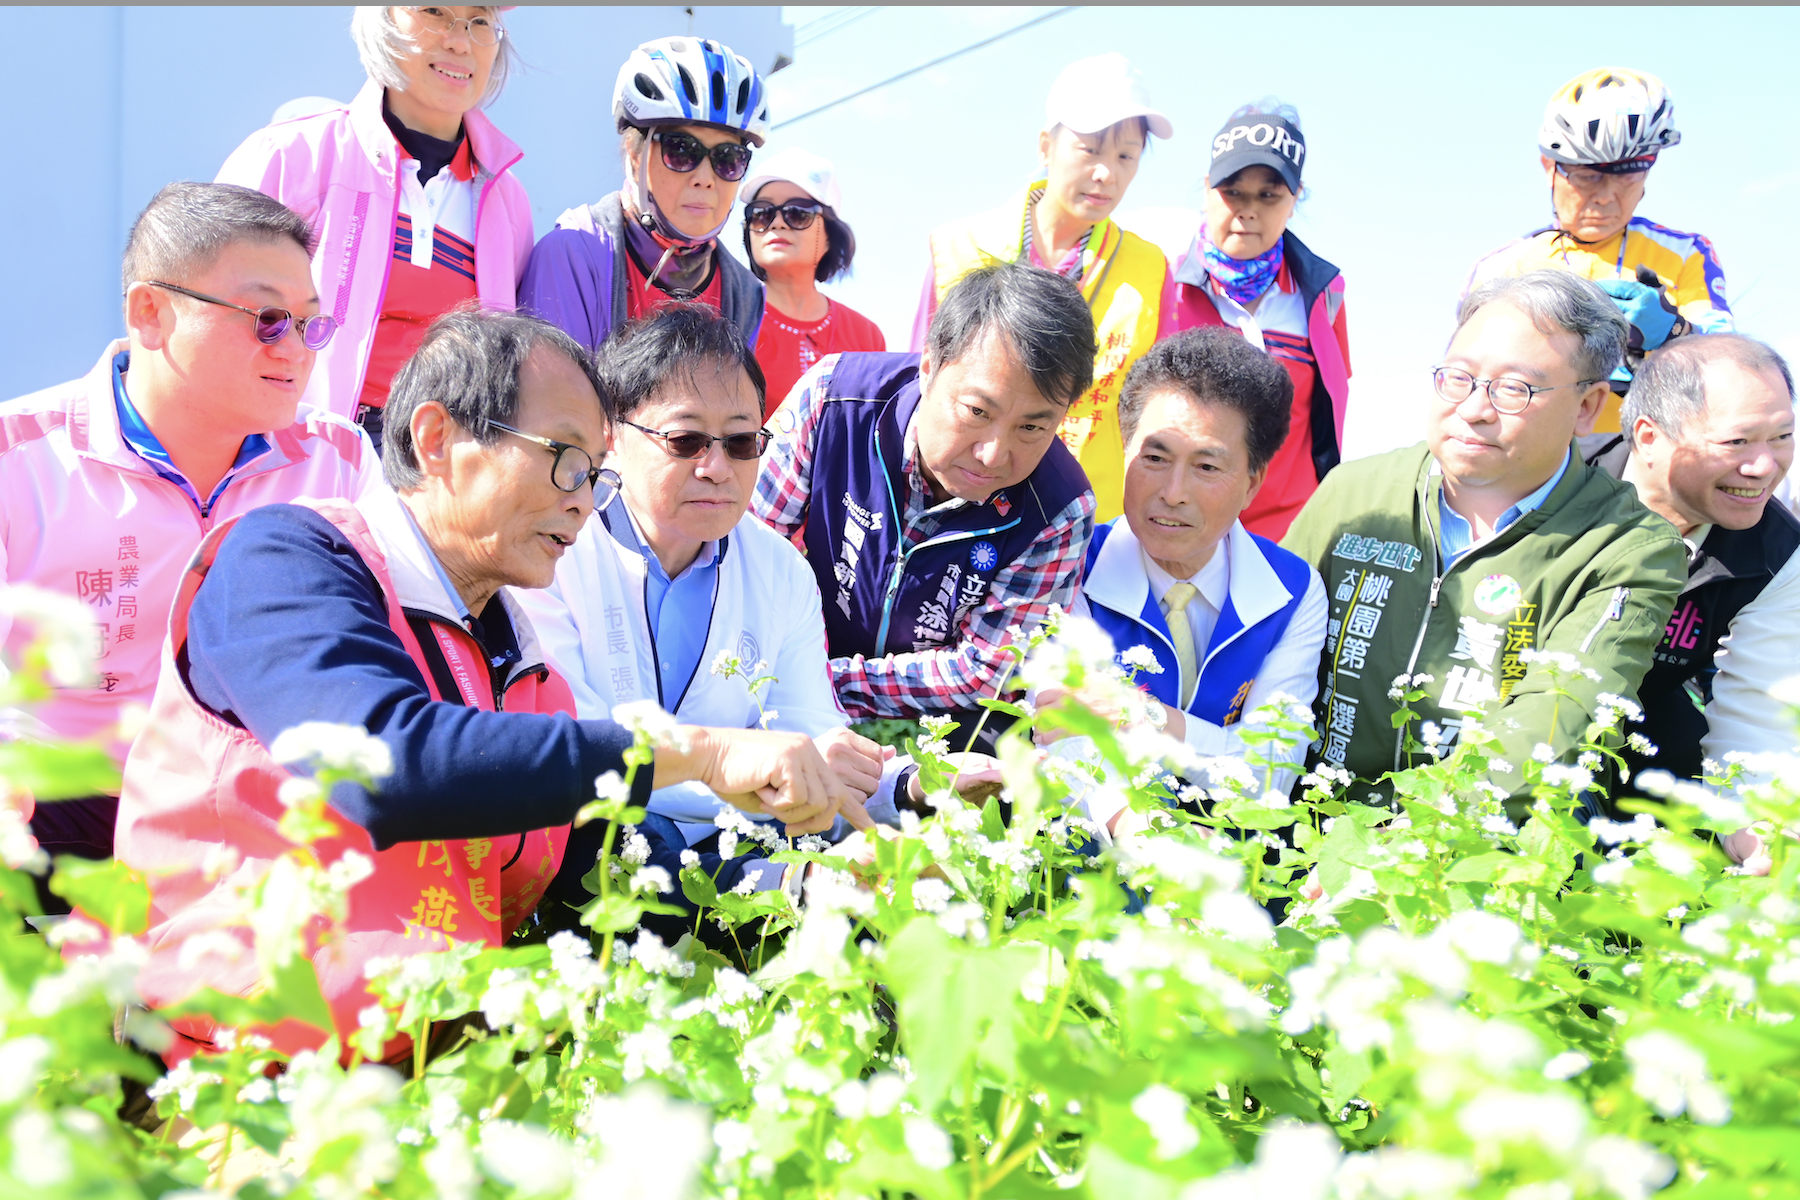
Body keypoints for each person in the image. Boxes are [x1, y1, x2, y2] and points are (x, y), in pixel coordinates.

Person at [114, 310, 852, 1065]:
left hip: (420, 1084)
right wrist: (697, 753)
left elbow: (608, 864)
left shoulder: (522, 666)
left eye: (595, 472)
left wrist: (817, 888)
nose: (583, 499)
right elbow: (375, 765)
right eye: (565, 458)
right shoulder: (288, 558)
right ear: (438, 442)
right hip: (220, 1082)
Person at [516, 305, 995, 922]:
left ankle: (795, 894)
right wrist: (744, 767)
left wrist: (909, 783)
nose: (716, 468)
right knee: (616, 844)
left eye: (741, 442)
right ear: (614, 435)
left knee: (900, 872)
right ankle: (790, 894)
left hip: (743, 835)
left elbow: (811, 733)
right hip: (612, 828)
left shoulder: (779, 568)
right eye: (684, 440)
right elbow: (575, 752)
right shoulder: (557, 546)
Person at [0, 182, 378, 880]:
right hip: (50, 806)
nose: (295, 351)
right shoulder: (17, 456)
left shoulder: (341, 462)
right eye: (267, 318)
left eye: (310, 325)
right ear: (151, 312)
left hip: (251, 818)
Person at [1282, 271, 1686, 806]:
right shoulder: (1354, 491)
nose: (1474, 409)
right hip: (1306, 830)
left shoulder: (1628, 547)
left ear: (1588, 407)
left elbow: (1556, 721)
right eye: (1458, 377)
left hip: (1486, 855)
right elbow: (1263, 649)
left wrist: (1398, 852)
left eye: (1515, 389)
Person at [754, 260, 1097, 745]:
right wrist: (785, 682)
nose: (994, 454)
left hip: (939, 730)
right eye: (977, 411)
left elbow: (984, 672)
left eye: (1032, 427)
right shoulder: (833, 401)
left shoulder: (1060, 510)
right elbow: (745, 549)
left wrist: (823, 683)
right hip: (780, 692)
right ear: (930, 366)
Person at [218, 5, 534, 450]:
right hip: (297, 458)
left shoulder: (507, 199)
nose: (459, 40)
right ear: (381, 19)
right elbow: (211, 315)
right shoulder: (291, 156)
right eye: (434, 11)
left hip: (445, 471)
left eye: (479, 20)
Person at [1045, 328, 1327, 821]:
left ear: (1251, 483)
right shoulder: (1070, 564)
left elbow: (1268, 776)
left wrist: (1147, 717)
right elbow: (1066, 742)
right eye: (1154, 458)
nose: (1173, 492)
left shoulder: (1293, 592)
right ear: (1124, 453)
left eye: (1206, 467)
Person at [913, 53, 1174, 522]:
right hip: (955, 499)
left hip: (1086, 516)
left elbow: (1157, 408)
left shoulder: (1150, 269)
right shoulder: (958, 245)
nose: (1106, 173)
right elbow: (917, 378)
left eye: (1126, 156)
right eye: (1090, 150)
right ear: (1045, 146)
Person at [1583, 335, 1797, 861]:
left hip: (1648, 716)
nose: (1764, 467)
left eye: (1783, 437)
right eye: (1737, 442)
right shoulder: (1556, 489)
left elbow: (1758, 717)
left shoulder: (1778, 552)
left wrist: (1767, 845)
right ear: (1649, 437)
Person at [1465, 67, 1731, 434]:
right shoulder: (1500, 267)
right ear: (1549, 168)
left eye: (1627, 176)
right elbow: (1464, 381)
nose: (1605, 196)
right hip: (1532, 451)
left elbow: (1733, 370)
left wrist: (1676, 331)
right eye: (1587, 176)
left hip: (1643, 454)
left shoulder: (1687, 253)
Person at [519, 36, 768, 354]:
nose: (705, 179)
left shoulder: (745, 294)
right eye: (681, 150)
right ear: (635, 154)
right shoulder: (574, 253)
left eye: (728, 158)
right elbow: (554, 401)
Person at [1171, 101, 1350, 541]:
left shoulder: (1325, 296)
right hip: (1175, 528)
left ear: (1296, 198)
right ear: (1207, 188)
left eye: (1268, 195)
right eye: (1233, 191)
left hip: (1287, 539)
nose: (1248, 210)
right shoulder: (1164, 283)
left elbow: (1324, 425)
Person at [740, 148, 886, 414]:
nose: (777, 223)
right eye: (762, 212)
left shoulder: (867, 335)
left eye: (797, 213)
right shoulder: (730, 318)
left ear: (830, 234)